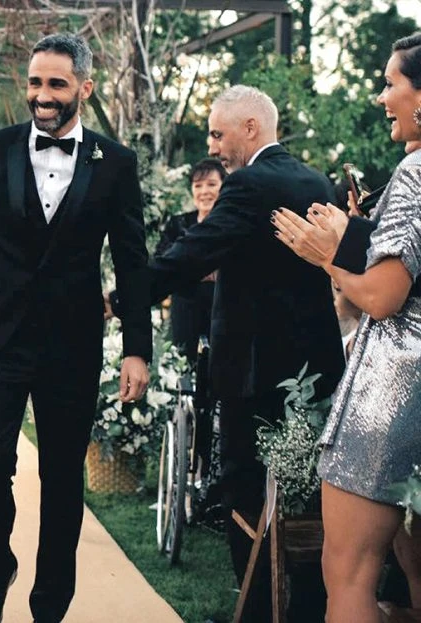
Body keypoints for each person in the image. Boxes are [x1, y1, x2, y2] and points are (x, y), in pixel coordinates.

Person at [0, 34, 151, 623]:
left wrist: (137, 349)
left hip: (72, 345)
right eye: (35, 82)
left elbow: (132, 261)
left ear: (84, 88)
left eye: (56, 84)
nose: (42, 95)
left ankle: (50, 605)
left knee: (63, 479)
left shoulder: (116, 163)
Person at [111, 85, 345, 622]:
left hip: (252, 375)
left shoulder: (248, 185)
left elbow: (191, 255)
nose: (212, 145)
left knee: (244, 491)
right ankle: (306, 607)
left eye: (218, 133)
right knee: (308, 498)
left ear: (250, 128)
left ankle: (257, 609)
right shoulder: (315, 180)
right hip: (314, 373)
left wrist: (117, 298)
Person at [272, 33, 421, 623]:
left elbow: (383, 297)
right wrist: (358, 235)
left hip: (394, 392)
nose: (381, 97)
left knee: (348, 573)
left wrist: (327, 257)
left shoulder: (415, 173)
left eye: (390, 83)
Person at [154, 157, 227, 364]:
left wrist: (189, 270)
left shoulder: (231, 224)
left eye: (211, 184)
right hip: (185, 309)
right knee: (182, 364)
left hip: (223, 310)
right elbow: (164, 261)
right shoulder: (178, 224)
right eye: (198, 185)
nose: (204, 191)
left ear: (224, 187)